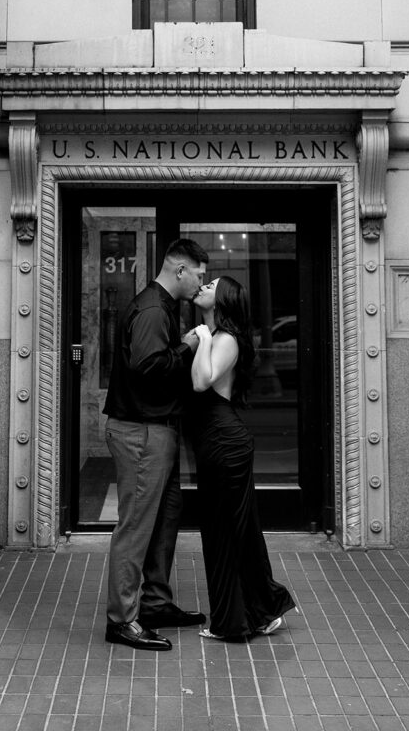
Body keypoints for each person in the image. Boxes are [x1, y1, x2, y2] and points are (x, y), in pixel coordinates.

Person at [103, 238, 210, 651]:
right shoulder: (151, 308)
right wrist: (190, 345)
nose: (201, 281)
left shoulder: (160, 306)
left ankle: (155, 603)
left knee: (165, 518)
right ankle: (122, 620)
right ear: (180, 270)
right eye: (198, 273)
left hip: (154, 430)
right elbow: (149, 368)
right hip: (141, 432)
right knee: (137, 526)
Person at [190, 276, 297, 640]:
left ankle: (235, 621)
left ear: (222, 299)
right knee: (233, 529)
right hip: (216, 441)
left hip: (224, 443)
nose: (204, 284)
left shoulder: (225, 340)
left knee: (227, 531)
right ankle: (262, 610)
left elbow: (201, 382)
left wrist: (204, 338)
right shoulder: (216, 336)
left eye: (212, 284)